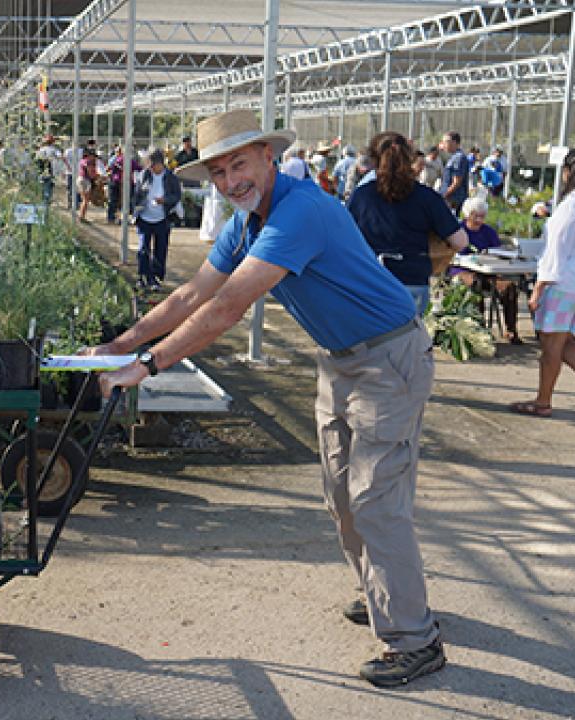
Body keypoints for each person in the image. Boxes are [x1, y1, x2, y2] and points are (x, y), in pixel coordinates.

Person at [90, 109, 445, 688]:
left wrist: (150, 364)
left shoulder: (299, 211)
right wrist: (121, 343)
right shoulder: (247, 220)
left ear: (266, 157)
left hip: (388, 360)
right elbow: (191, 294)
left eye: (239, 163)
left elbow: (227, 308)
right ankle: (386, 593)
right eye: (219, 171)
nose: (231, 180)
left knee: (376, 499)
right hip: (341, 361)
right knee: (341, 496)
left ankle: (415, 639)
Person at [510, 148, 575, 418]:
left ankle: (543, 402)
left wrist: (538, 288)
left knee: (550, 347)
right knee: (563, 338)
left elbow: (555, 250)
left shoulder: (572, 204)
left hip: (564, 283)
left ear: (570, 171)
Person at [347, 131, 469, 314]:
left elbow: (343, 238)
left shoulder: (361, 196)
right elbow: (460, 242)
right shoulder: (426, 197)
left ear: (373, 159)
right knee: (407, 338)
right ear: (410, 158)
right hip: (412, 280)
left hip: (370, 280)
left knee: (373, 340)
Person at [451, 197, 522, 344]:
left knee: (509, 288)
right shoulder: (459, 230)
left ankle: (511, 329)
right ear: (467, 214)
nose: (479, 219)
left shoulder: (489, 232)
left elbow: (498, 253)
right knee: (474, 285)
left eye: (482, 216)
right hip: (462, 270)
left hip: (488, 271)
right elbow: (456, 257)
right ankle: (479, 329)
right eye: (475, 215)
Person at [131, 148, 183, 291]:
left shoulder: (171, 178)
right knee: (143, 249)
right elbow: (136, 194)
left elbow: (177, 196)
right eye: (150, 164)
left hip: (162, 219)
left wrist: (164, 200)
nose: (151, 167)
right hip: (144, 217)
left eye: (154, 164)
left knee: (160, 249)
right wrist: (135, 209)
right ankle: (142, 276)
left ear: (161, 164)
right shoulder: (144, 175)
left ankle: (155, 278)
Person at [439, 131, 470, 212]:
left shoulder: (458, 158)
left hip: (453, 199)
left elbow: (457, 182)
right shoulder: (453, 157)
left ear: (454, 142)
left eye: (446, 141)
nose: (443, 144)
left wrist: (444, 195)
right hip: (450, 198)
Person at [75, 149, 102, 223]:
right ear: (89, 155)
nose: (94, 158)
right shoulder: (88, 161)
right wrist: (99, 177)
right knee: (85, 200)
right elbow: (91, 173)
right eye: (93, 156)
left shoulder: (83, 160)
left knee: (84, 199)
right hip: (85, 180)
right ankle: (81, 217)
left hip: (81, 179)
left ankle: (81, 216)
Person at [34, 135, 62, 207]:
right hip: (49, 171)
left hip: (40, 172)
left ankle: (42, 202)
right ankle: (46, 203)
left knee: (42, 188)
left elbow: (36, 161)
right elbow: (60, 156)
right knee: (48, 188)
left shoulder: (40, 150)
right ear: (52, 142)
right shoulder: (54, 149)